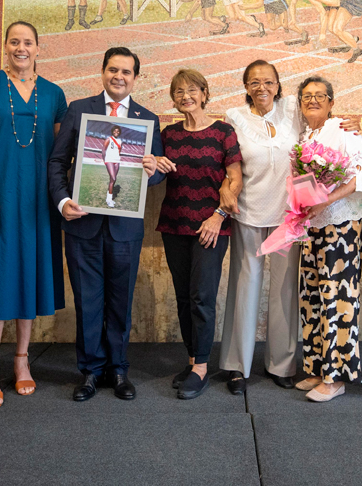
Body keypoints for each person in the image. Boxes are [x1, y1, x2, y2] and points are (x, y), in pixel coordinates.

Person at [219, 61, 362, 396]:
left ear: (279, 85)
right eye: (254, 82)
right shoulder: (234, 117)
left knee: (285, 290)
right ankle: (238, 366)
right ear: (245, 85)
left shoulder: (292, 111)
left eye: (268, 81)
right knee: (244, 288)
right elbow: (228, 160)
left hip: (290, 216)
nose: (261, 87)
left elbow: (322, 120)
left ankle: (282, 365)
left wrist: (349, 121)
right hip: (249, 212)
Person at [0, 21, 68, 408]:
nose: (21, 48)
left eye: (28, 42)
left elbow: (61, 155)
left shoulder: (54, 93)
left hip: (38, 201)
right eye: (14, 42)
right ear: (4, 47)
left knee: (29, 276)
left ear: (39, 48)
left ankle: (21, 361)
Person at [48, 47, 165, 402]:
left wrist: (151, 171)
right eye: (113, 70)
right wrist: (63, 200)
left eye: (126, 72)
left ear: (135, 78)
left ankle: (118, 370)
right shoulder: (79, 110)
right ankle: (90, 371)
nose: (119, 77)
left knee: (120, 301)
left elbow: (156, 177)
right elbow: (57, 162)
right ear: (102, 72)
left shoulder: (148, 119)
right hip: (82, 225)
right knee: (88, 301)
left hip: (124, 230)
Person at [155, 69, 242, 399]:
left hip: (211, 227)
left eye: (192, 90)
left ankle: (203, 367)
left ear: (205, 93)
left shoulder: (223, 132)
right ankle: (192, 360)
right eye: (178, 92)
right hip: (174, 224)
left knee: (202, 297)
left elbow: (235, 179)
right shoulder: (169, 135)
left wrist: (218, 217)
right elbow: (153, 170)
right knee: (182, 297)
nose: (185, 96)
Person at [294, 76, 362, 402]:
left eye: (319, 95)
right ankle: (315, 367)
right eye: (306, 96)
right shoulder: (304, 136)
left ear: (331, 101)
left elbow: (357, 178)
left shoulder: (343, 130)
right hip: (312, 228)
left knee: (338, 302)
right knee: (312, 299)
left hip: (341, 225)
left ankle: (336, 377)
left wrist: (326, 200)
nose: (312, 100)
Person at [235, 0, 303, 40]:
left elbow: (259, 4)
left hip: (278, 1)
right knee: (272, 27)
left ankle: (301, 32)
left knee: (285, 25)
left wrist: (246, 6)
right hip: (268, 4)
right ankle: (284, 21)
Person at [101, 125, 123, 208]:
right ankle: (109, 200)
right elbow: (103, 150)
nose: (116, 132)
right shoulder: (108, 139)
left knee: (113, 180)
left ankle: (109, 198)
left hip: (117, 161)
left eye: (118, 131)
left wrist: (117, 157)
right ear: (112, 131)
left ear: (119, 132)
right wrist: (104, 160)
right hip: (109, 160)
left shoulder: (120, 141)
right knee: (113, 178)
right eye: (115, 131)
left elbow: (119, 150)